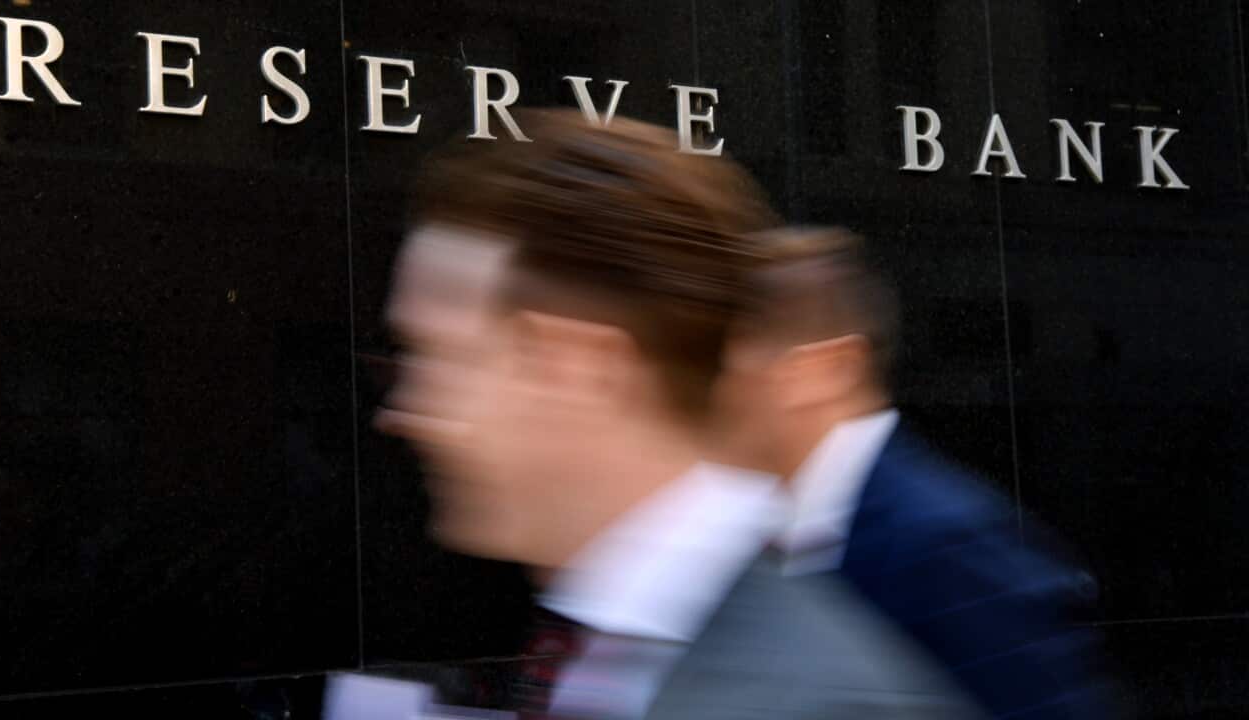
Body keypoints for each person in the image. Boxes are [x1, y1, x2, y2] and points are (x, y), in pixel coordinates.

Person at [374, 111, 982, 719]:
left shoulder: (813, 702)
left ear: (571, 366)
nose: (405, 413)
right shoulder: (616, 655)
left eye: (441, 356)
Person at [719, 226, 1115, 719]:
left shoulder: (946, 543)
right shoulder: (772, 530)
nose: (707, 397)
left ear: (826, 370)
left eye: (726, 369)